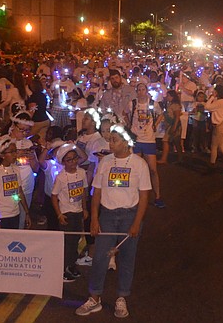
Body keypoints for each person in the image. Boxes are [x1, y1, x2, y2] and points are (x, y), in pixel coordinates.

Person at [75, 125, 151, 319]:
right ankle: (94, 298)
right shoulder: (105, 161)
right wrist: (94, 219)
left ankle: (121, 298)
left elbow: (144, 197)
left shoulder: (139, 164)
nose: (110, 143)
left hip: (129, 216)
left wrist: (136, 223)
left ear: (126, 142)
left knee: (126, 259)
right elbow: (97, 191)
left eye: (115, 140)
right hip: (107, 216)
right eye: (110, 139)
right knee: (100, 257)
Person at [51, 143, 89, 283]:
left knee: (75, 241)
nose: (73, 162)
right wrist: (59, 214)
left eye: (74, 158)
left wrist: (84, 208)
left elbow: (84, 191)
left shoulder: (81, 173)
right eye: (69, 160)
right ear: (63, 162)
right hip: (67, 212)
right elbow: (54, 196)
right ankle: (63, 269)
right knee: (67, 242)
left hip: (78, 211)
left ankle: (71, 265)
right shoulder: (61, 177)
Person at [127, 83, 163, 208]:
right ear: (137, 91)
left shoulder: (153, 103)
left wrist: (155, 125)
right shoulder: (132, 104)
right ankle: (135, 196)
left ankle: (157, 196)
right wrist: (130, 127)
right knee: (136, 169)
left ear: (147, 91)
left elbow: (161, 114)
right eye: (139, 90)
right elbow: (126, 114)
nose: (141, 92)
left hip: (149, 139)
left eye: (143, 90)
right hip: (136, 138)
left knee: (153, 169)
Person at [0, 141, 31, 229]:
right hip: (2, 215)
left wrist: (26, 212)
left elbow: (20, 192)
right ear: (2, 155)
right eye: (11, 152)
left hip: (15, 213)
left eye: (15, 151)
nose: (15, 155)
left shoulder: (16, 169)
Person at [204, 85, 223, 171]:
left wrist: (212, 97)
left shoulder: (220, 102)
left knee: (215, 146)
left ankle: (213, 163)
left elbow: (207, 107)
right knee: (220, 146)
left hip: (219, 126)